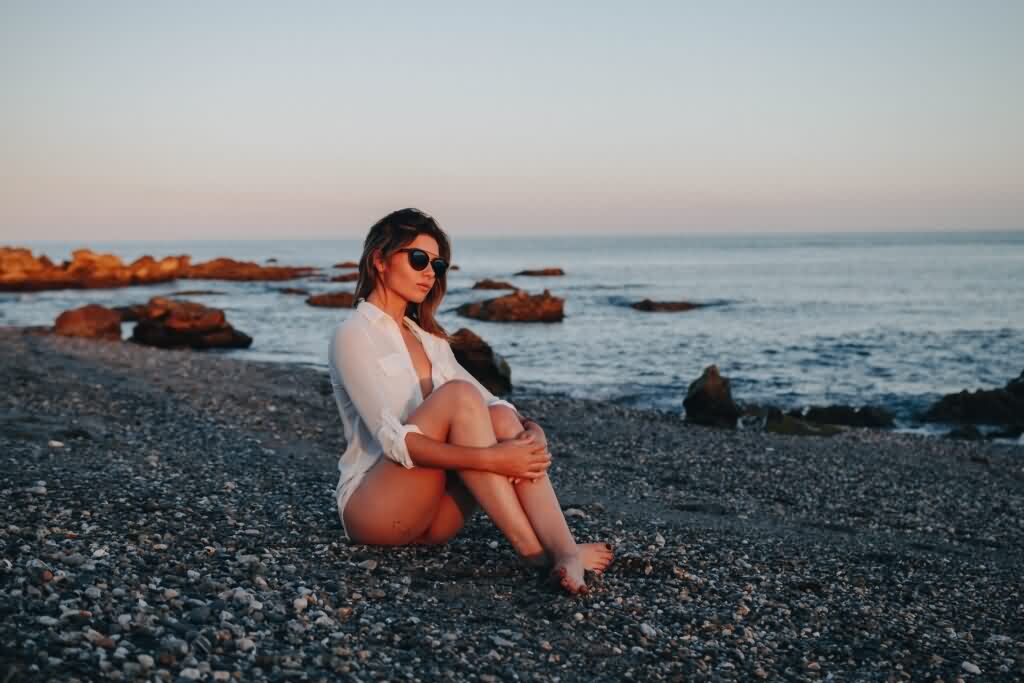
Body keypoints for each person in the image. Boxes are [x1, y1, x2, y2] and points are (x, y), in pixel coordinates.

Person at [327, 208, 613, 594]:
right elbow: (395, 441)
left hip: (433, 521)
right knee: (458, 397)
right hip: (376, 510)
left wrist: (533, 431)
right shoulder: (353, 333)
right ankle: (535, 554)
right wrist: (494, 459)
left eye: (438, 264)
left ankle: (564, 551)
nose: (431, 272)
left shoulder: (428, 339)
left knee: (499, 417)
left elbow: (493, 404)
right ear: (379, 260)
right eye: (418, 259)